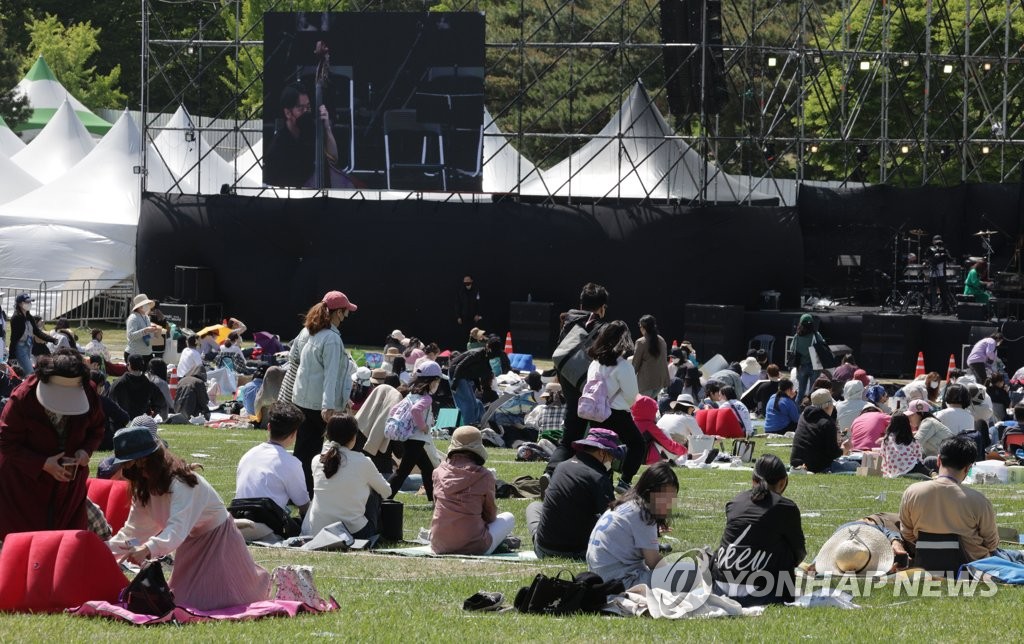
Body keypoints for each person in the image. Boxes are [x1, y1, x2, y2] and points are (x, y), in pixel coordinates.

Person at [106, 427, 272, 610]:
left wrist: (146, 549)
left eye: (130, 466)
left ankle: (259, 583)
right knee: (181, 602)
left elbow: (176, 529)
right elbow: (134, 532)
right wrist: (105, 551)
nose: (127, 474)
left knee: (213, 602)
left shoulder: (182, 484)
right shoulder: (144, 490)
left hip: (219, 543)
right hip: (190, 545)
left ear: (145, 460)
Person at [0, 349, 105, 540]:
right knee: (29, 546)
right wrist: (41, 463)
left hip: (69, 490)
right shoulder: (23, 397)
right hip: (24, 489)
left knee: (65, 544)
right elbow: (5, 442)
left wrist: (85, 451)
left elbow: (97, 428)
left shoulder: (88, 392)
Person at [712, 454, 805, 606]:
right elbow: (798, 553)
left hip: (720, 586)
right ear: (782, 483)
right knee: (786, 550)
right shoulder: (786, 507)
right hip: (759, 591)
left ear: (753, 480)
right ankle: (785, 595)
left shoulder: (735, 502)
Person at [291, 290, 358, 496]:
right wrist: (328, 406)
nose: (347, 315)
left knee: (303, 450)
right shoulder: (331, 338)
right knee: (337, 448)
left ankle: (299, 492)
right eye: (346, 311)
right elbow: (331, 375)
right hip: (321, 404)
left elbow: (293, 357)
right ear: (338, 312)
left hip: (302, 399)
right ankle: (329, 491)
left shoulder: (306, 331)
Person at [899, 436, 1003, 565]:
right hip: (971, 565)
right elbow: (991, 544)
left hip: (927, 561)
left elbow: (907, 533)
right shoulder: (979, 500)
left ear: (938, 460)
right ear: (967, 468)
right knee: (1013, 556)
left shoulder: (912, 492)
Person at [544, 283, 609, 478]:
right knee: (598, 437)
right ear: (602, 307)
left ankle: (550, 473)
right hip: (588, 387)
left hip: (568, 382)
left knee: (569, 436)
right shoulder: (599, 326)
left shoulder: (569, 321)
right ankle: (592, 478)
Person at [525, 427, 621, 559]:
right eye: (611, 455)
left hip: (543, 547)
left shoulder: (562, 466)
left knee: (534, 506)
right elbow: (612, 519)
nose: (613, 460)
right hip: (577, 550)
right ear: (602, 452)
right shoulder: (598, 477)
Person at [586, 461, 678, 588]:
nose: (668, 503)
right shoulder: (644, 513)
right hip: (619, 581)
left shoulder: (627, 504)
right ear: (650, 491)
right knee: (689, 572)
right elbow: (653, 562)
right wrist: (673, 574)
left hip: (599, 574)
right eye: (665, 497)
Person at [430, 426, 516, 555]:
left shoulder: (437, 472)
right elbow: (490, 516)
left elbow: (436, 506)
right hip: (474, 547)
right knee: (509, 517)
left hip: (439, 545)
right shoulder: (484, 475)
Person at [304, 414, 390, 539]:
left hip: (318, 529)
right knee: (374, 491)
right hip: (354, 532)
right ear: (354, 437)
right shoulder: (363, 461)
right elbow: (386, 491)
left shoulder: (316, 460)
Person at [582, 320, 645, 491]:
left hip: (595, 412)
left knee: (601, 450)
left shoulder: (594, 363)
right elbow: (632, 396)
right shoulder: (624, 366)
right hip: (616, 413)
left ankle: (602, 483)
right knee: (638, 445)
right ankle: (625, 481)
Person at [235, 401, 310, 534]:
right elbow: (303, 505)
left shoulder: (248, 455)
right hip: (265, 526)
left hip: (238, 522)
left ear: (269, 427)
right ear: (294, 434)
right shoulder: (291, 463)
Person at [264, 84, 347, 188]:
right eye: (300, 108)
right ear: (288, 113)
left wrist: (327, 128)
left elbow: (333, 159)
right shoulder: (277, 148)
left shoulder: (310, 131)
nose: (306, 112)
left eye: (308, 107)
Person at [387, 360, 443, 502]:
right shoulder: (426, 398)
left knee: (427, 469)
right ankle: (384, 497)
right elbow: (415, 410)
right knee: (402, 472)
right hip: (416, 440)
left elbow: (394, 410)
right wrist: (423, 426)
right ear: (431, 382)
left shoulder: (410, 395)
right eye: (437, 381)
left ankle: (433, 499)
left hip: (408, 438)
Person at [449, 336, 509, 426]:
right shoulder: (477, 353)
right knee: (468, 404)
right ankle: (469, 427)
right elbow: (460, 366)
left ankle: (477, 424)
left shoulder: (489, 356)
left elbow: (475, 372)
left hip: (466, 376)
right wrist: (454, 383)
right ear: (488, 347)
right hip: (456, 374)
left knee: (475, 403)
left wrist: (478, 387)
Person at [791, 388, 854, 473]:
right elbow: (833, 453)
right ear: (828, 406)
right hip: (817, 466)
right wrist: (844, 448)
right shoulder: (827, 422)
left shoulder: (803, 416)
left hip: (797, 463)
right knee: (855, 465)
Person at [8, 293, 58, 376]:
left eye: (30, 302)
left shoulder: (29, 316)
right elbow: (14, 338)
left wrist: (52, 339)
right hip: (20, 348)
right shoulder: (16, 318)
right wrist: (11, 355)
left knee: (23, 374)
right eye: (27, 302)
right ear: (20, 304)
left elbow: (37, 331)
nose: (29, 304)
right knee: (31, 373)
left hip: (28, 346)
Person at [108, 354, 168, 419]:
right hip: (142, 421)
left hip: (122, 420)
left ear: (128, 365)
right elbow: (161, 403)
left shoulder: (118, 383)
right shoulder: (149, 384)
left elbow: (110, 402)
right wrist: (153, 414)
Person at [631, 395, 687, 464]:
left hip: (634, 457)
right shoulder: (649, 426)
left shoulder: (633, 422)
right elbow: (668, 444)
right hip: (647, 459)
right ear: (649, 410)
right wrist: (684, 450)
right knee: (663, 432)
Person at [788, 313, 831, 402]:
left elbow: (792, 348)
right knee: (813, 393)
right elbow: (823, 346)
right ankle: (810, 411)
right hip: (814, 366)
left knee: (800, 392)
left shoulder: (797, 336)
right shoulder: (816, 335)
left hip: (801, 366)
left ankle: (797, 411)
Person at [879, 411, 929, 478]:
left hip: (893, 469)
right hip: (910, 466)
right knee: (924, 468)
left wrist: (886, 470)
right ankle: (932, 473)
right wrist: (921, 464)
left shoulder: (886, 439)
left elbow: (883, 455)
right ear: (907, 425)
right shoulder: (910, 439)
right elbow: (918, 455)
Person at [631, 314, 669, 399]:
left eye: (640, 326)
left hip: (646, 383)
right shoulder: (662, 340)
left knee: (642, 408)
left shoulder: (641, 342)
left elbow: (635, 365)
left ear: (643, 328)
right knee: (650, 407)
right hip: (660, 382)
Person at [124, 293, 164, 367]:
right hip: (135, 355)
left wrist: (155, 331)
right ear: (139, 307)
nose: (148, 306)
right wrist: (145, 330)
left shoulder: (146, 317)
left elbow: (149, 336)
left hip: (147, 353)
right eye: (146, 304)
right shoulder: (133, 318)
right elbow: (130, 336)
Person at [927, 235, 954, 312]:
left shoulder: (944, 250)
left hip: (942, 273)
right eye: (936, 242)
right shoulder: (930, 249)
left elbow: (950, 259)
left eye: (939, 242)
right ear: (933, 242)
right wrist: (936, 255)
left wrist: (944, 254)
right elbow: (929, 258)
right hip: (933, 273)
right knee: (932, 291)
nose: (937, 244)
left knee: (943, 291)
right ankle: (931, 307)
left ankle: (945, 307)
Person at [456, 275, 483, 345]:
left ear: (471, 281)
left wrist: (478, 314)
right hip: (464, 317)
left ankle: (475, 347)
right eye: (465, 281)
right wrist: (458, 316)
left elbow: (479, 304)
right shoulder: (461, 292)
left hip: (474, 317)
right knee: (464, 333)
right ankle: (465, 349)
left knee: (475, 333)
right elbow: (458, 305)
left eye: (468, 280)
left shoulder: (476, 291)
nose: (467, 282)